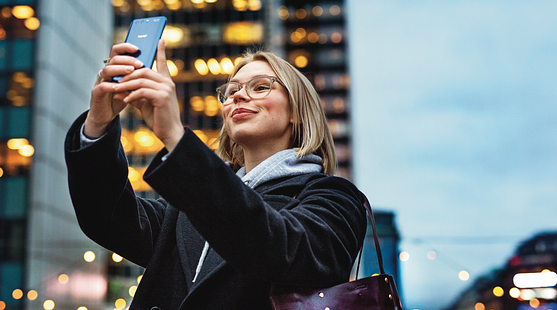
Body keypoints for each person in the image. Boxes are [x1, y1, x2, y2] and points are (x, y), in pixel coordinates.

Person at [64, 39, 367, 309]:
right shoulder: (188, 210)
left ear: (297, 112)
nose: (238, 97)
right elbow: (107, 217)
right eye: (231, 91)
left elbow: (278, 250)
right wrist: (98, 123)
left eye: (260, 87)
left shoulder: (335, 198)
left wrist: (175, 137)